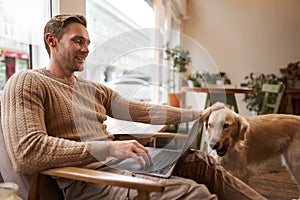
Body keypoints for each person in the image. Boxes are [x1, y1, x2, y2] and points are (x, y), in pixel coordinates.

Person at [0, 14, 266, 200]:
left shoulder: (91, 88)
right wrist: (108, 147)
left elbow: (142, 110)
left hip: (123, 163)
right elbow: (28, 151)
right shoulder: (27, 81)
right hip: (88, 181)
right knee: (193, 194)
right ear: (51, 41)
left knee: (200, 162)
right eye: (78, 41)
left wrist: (199, 114)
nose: (86, 48)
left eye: (88, 42)